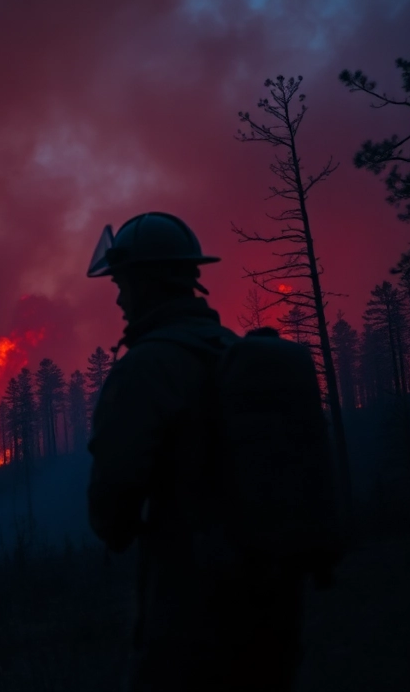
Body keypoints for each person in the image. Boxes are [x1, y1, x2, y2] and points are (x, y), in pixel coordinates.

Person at [85, 212, 310, 691]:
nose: (120, 299)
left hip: (191, 613)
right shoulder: (232, 351)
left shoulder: (145, 368)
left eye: (122, 285)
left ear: (146, 284)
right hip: (272, 609)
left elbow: (112, 502)